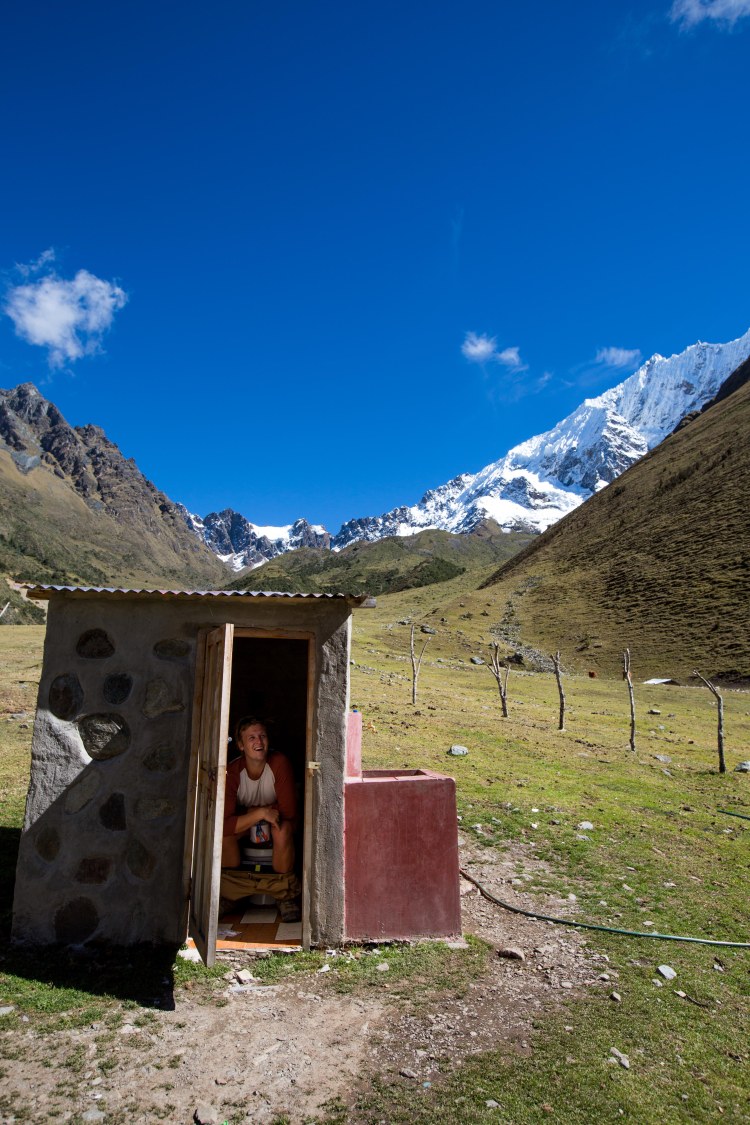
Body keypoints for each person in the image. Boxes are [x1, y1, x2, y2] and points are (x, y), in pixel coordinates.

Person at [222, 716, 296, 875]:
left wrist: (250, 812)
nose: (259, 742)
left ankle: (281, 888)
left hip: (276, 821)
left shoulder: (279, 764)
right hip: (250, 824)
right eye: (252, 738)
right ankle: (232, 888)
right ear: (241, 745)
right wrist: (260, 813)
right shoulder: (233, 772)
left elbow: (288, 812)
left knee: (281, 832)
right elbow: (225, 824)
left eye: (262, 736)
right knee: (225, 836)